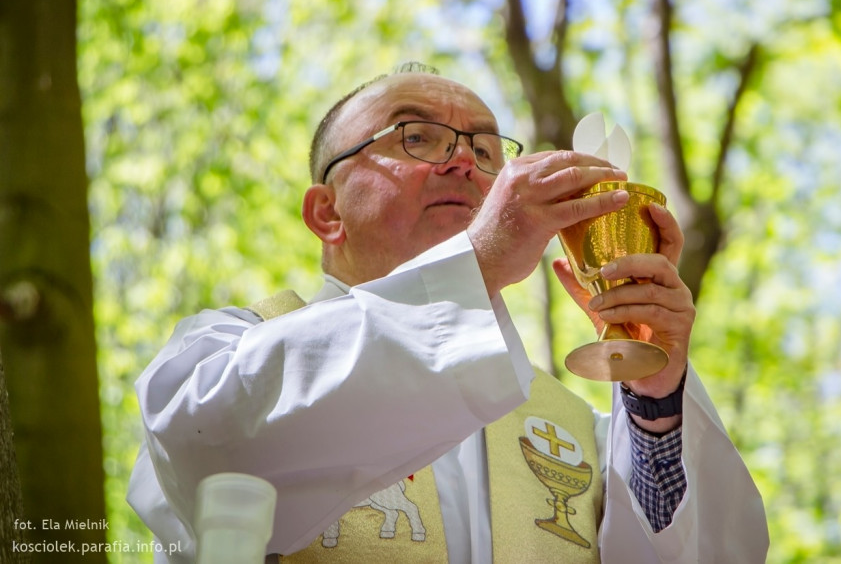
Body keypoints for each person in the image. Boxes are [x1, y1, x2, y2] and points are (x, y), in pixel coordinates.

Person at [128, 63, 769, 563]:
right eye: (417, 137)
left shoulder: (574, 429)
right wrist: (480, 261)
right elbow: (213, 453)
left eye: (489, 151)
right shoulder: (219, 353)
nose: (465, 159)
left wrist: (657, 394)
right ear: (327, 212)